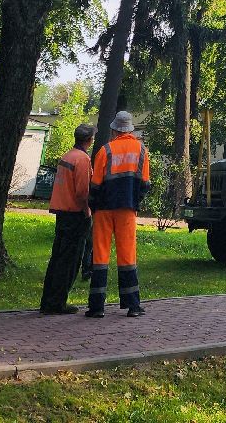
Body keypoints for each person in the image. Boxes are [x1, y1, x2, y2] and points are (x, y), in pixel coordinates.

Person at [88, 111, 151, 318]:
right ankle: (132, 305)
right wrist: (135, 200)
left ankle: (97, 307)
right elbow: (145, 184)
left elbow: (95, 184)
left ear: (115, 130)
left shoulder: (105, 150)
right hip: (127, 210)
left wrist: (93, 205)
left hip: (104, 210)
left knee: (100, 256)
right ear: (130, 129)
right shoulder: (141, 150)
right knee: (127, 256)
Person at [39, 123, 96, 315]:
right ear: (89, 140)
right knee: (70, 261)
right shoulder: (83, 160)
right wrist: (88, 212)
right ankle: (58, 303)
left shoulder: (67, 156)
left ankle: (48, 300)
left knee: (57, 258)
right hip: (76, 214)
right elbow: (82, 192)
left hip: (62, 212)